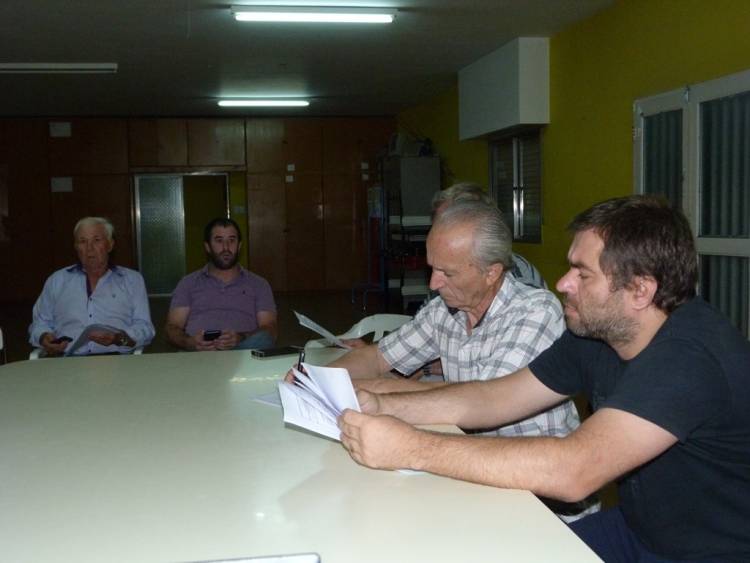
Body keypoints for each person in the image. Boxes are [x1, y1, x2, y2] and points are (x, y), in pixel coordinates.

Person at [338, 195, 750, 562]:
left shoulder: (689, 358)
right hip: (638, 529)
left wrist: (410, 448)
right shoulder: (597, 334)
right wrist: (383, 405)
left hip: (714, 552)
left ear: (640, 291)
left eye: (582, 274)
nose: (562, 283)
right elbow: (491, 399)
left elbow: (574, 470)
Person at [324, 199, 595, 519]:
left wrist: (379, 395)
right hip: (473, 474)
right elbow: (378, 356)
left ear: (491, 272)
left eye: (447, 272)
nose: (433, 283)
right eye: (432, 268)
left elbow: (482, 401)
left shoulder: (536, 312)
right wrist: (316, 376)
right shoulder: (445, 309)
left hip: (540, 497)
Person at [29, 217, 155, 356]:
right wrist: (43, 337)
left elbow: (145, 328)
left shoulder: (132, 280)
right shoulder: (57, 280)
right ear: (76, 247)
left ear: (110, 245)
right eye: (82, 241)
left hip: (117, 360)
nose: (89, 248)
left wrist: (118, 339)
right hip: (68, 361)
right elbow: (39, 324)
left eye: (97, 240)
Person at [166, 217, 277, 352]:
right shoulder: (188, 283)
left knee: (263, 339)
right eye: (219, 241)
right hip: (199, 353)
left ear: (239, 246)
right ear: (207, 247)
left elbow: (270, 329)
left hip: (243, 351)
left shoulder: (259, 284)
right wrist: (190, 342)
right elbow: (173, 327)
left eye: (232, 240)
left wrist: (241, 337)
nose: (226, 248)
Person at [432, 182, 547, 289]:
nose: (438, 233)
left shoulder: (517, 275)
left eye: (448, 225)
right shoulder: (440, 270)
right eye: (437, 225)